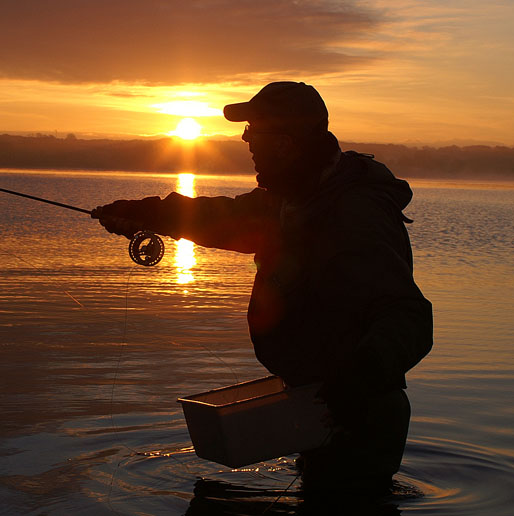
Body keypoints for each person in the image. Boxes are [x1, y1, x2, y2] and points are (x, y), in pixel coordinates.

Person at [92, 82, 432, 498]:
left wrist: (356, 382)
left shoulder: (353, 215)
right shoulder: (293, 200)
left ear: (285, 143)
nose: (245, 138)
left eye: (254, 129)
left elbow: (408, 316)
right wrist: (144, 212)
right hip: (317, 407)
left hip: (357, 414)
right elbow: (225, 217)